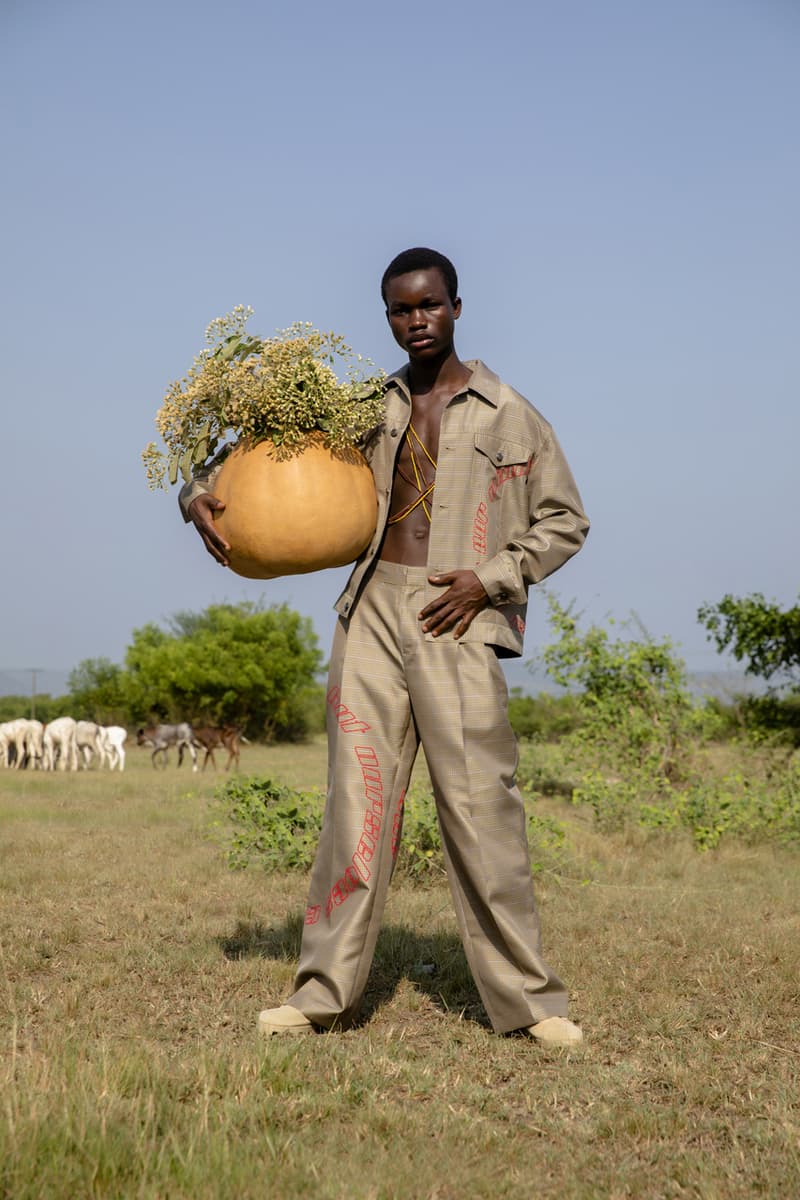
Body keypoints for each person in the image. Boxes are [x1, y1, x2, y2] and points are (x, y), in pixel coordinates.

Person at [182, 248, 590, 1047]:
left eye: (430, 305)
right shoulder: (364, 407)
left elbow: (565, 521)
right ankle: (321, 994)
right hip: (371, 611)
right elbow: (239, 453)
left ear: (457, 308)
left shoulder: (510, 411)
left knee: (481, 809)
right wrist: (197, 494)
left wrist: (490, 580)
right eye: (401, 310)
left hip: (458, 616)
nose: (417, 321)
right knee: (355, 806)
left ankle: (530, 1004)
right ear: (389, 317)